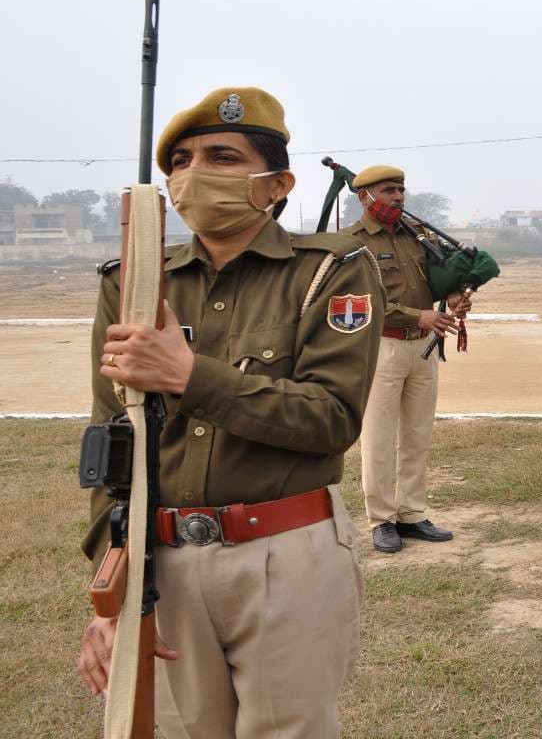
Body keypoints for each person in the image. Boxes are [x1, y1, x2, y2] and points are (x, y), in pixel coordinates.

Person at [76, 87, 385, 737]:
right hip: (163, 566)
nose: (193, 175)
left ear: (276, 184)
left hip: (284, 554)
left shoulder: (329, 272)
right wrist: (111, 590)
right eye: (180, 162)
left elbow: (330, 418)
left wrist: (190, 376)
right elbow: (112, 446)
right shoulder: (131, 284)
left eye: (220, 157)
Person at [343, 165, 469, 553]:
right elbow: (359, 303)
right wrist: (418, 315)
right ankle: (381, 519)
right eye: (388, 190)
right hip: (383, 347)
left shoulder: (418, 237)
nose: (398, 197)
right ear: (364, 196)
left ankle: (411, 512)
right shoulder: (350, 242)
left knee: (417, 434)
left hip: (425, 347)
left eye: (401, 190)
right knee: (379, 437)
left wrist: (452, 298)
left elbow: (438, 280)